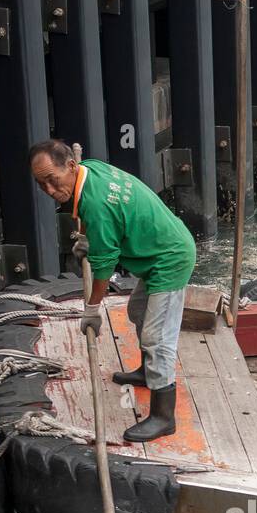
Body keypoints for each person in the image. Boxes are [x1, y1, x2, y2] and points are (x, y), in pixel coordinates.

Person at [29, 140, 196, 441]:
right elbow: (111, 222)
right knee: (137, 311)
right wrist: (90, 238)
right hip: (155, 249)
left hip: (169, 258)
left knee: (157, 338)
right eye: (41, 185)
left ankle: (163, 416)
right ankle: (149, 371)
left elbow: (104, 266)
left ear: (70, 166)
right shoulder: (90, 169)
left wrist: (92, 310)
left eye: (52, 181)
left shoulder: (95, 204)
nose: (50, 191)